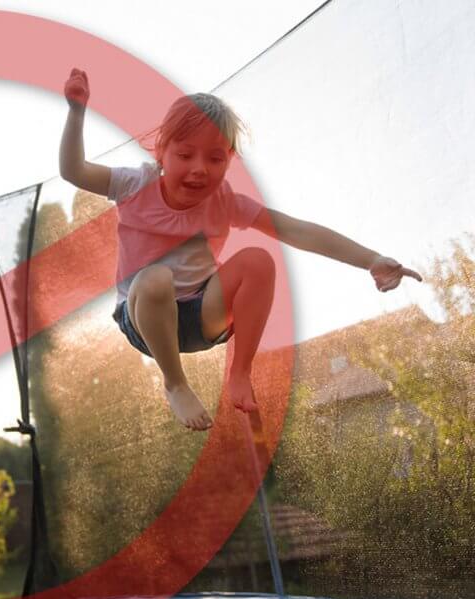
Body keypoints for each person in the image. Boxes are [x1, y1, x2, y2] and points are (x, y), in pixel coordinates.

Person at [59, 68, 421, 430]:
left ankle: (240, 371)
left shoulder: (225, 202)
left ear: (229, 159)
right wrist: (76, 112)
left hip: (203, 315)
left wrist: (370, 259)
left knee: (258, 260)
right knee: (155, 279)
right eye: (185, 155)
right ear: (161, 151)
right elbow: (74, 171)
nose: (199, 169)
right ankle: (176, 382)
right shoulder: (134, 183)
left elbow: (297, 230)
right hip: (144, 318)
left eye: (215, 159)